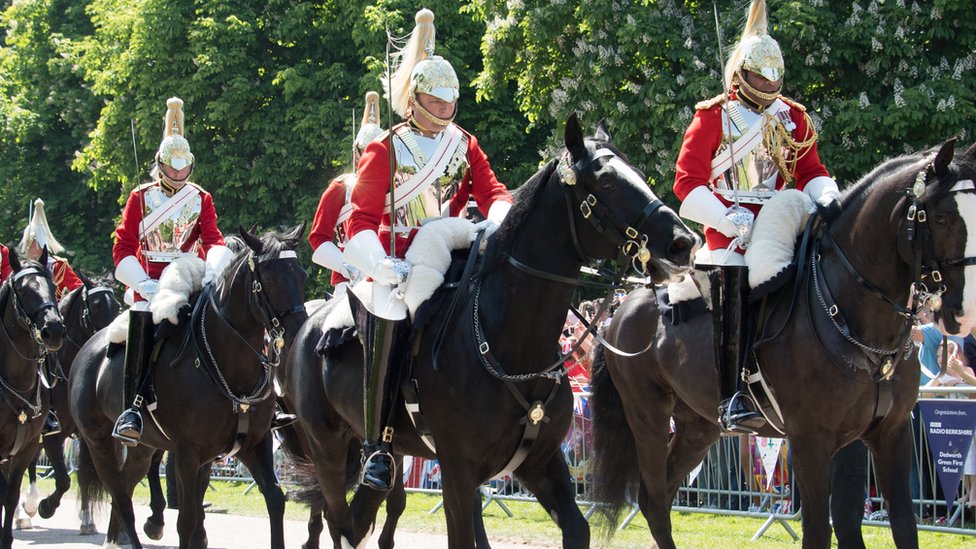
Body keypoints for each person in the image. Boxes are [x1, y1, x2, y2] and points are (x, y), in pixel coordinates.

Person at [343, 8, 513, 490]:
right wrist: (379, 265)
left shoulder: (465, 144)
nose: (443, 109)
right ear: (414, 99)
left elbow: (494, 192)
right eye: (434, 101)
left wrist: (499, 219)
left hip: (454, 249)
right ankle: (378, 445)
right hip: (398, 262)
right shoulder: (387, 149)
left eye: (448, 101)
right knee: (390, 320)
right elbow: (360, 219)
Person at [672, 0, 840, 433]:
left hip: (782, 223)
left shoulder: (794, 118)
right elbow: (687, 184)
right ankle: (733, 394)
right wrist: (729, 222)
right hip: (729, 229)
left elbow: (811, 171)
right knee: (732, 272)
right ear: (741, 74)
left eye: (774, 77)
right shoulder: (713, 117)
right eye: (759, 76)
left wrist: (828, 198)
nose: (767, 84)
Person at [110, 97, 233, 446]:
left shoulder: (201, 198)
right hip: (147, 281)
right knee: (142, 322)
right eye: (172, 168)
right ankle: (133, 407)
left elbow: (212, 239)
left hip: (186, 278)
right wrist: (143, 284)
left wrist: (213, 271)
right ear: (161, 165)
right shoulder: (141, 197)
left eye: (184, 168)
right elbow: (122, 248)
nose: (178, 175)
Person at [18, 197, 84, 436]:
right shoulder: (23, 271)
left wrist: (62, 304)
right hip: (24, 325)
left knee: (52, 361)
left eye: (33, 242)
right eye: (28, 243)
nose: (28, 247)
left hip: (51, 325)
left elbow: (77, 290)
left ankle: (52, 412)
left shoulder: (58, 267)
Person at [308, 91, 385, 297]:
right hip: (349, 279)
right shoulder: (341, 188)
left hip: (387, 273)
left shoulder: (397, 186)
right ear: (357, 153)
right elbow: (318, 237)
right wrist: (345, 267)